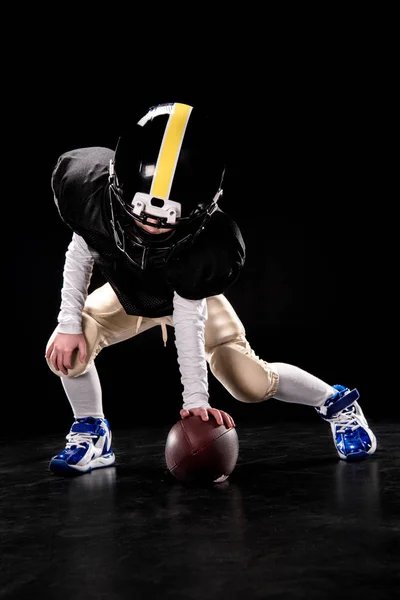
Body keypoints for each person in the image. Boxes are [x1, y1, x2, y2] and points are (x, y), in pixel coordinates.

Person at [45, 101, 376, 476]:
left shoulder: (211, 246)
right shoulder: (86, 189)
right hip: (127, 293)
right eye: (140, 216)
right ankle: (92, 431)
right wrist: (68, 322)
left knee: (250, 384)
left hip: (186, 300)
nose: (152, 227)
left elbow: (188, 318)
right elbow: (80, 253)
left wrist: (196, 400)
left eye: (168, 219)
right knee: (67, 349)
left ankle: (336, 403)